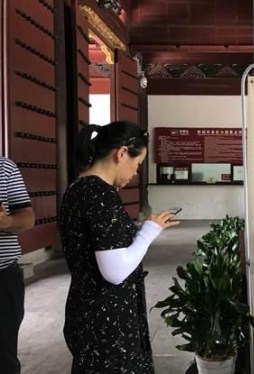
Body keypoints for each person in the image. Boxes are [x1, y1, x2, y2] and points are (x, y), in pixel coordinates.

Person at [58, 121, 179, 373]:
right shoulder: (100, 195)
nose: (135, 172)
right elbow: (114, 271)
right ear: (122, 153)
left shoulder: (77, 189)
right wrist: (149, 231)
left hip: (87, 312)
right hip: (108, 323)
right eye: (137, 164)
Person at [0, 157, 35, 374]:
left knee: (4, 357)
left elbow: (27, 218)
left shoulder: (4, 168)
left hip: (2, 276)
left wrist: (6, 222)